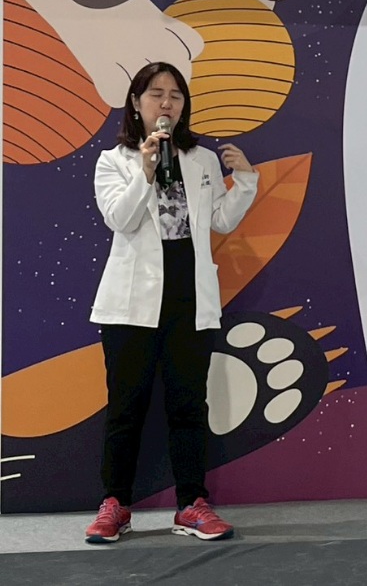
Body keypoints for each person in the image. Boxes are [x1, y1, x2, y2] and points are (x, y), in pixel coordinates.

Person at [84, 62, 259, 544]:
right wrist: (144, 171)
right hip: (131, 303)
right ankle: (115, 504)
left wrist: (244, 181)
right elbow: (119, 219)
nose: (166, 103)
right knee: (126, 408)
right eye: (156, 94)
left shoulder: (201, 160)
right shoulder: (114, 160)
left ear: (184, 105)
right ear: (136, 103)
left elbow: (221, 221)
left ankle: (191, 504)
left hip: (189, 299)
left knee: (188, 406)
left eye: (176, 95)